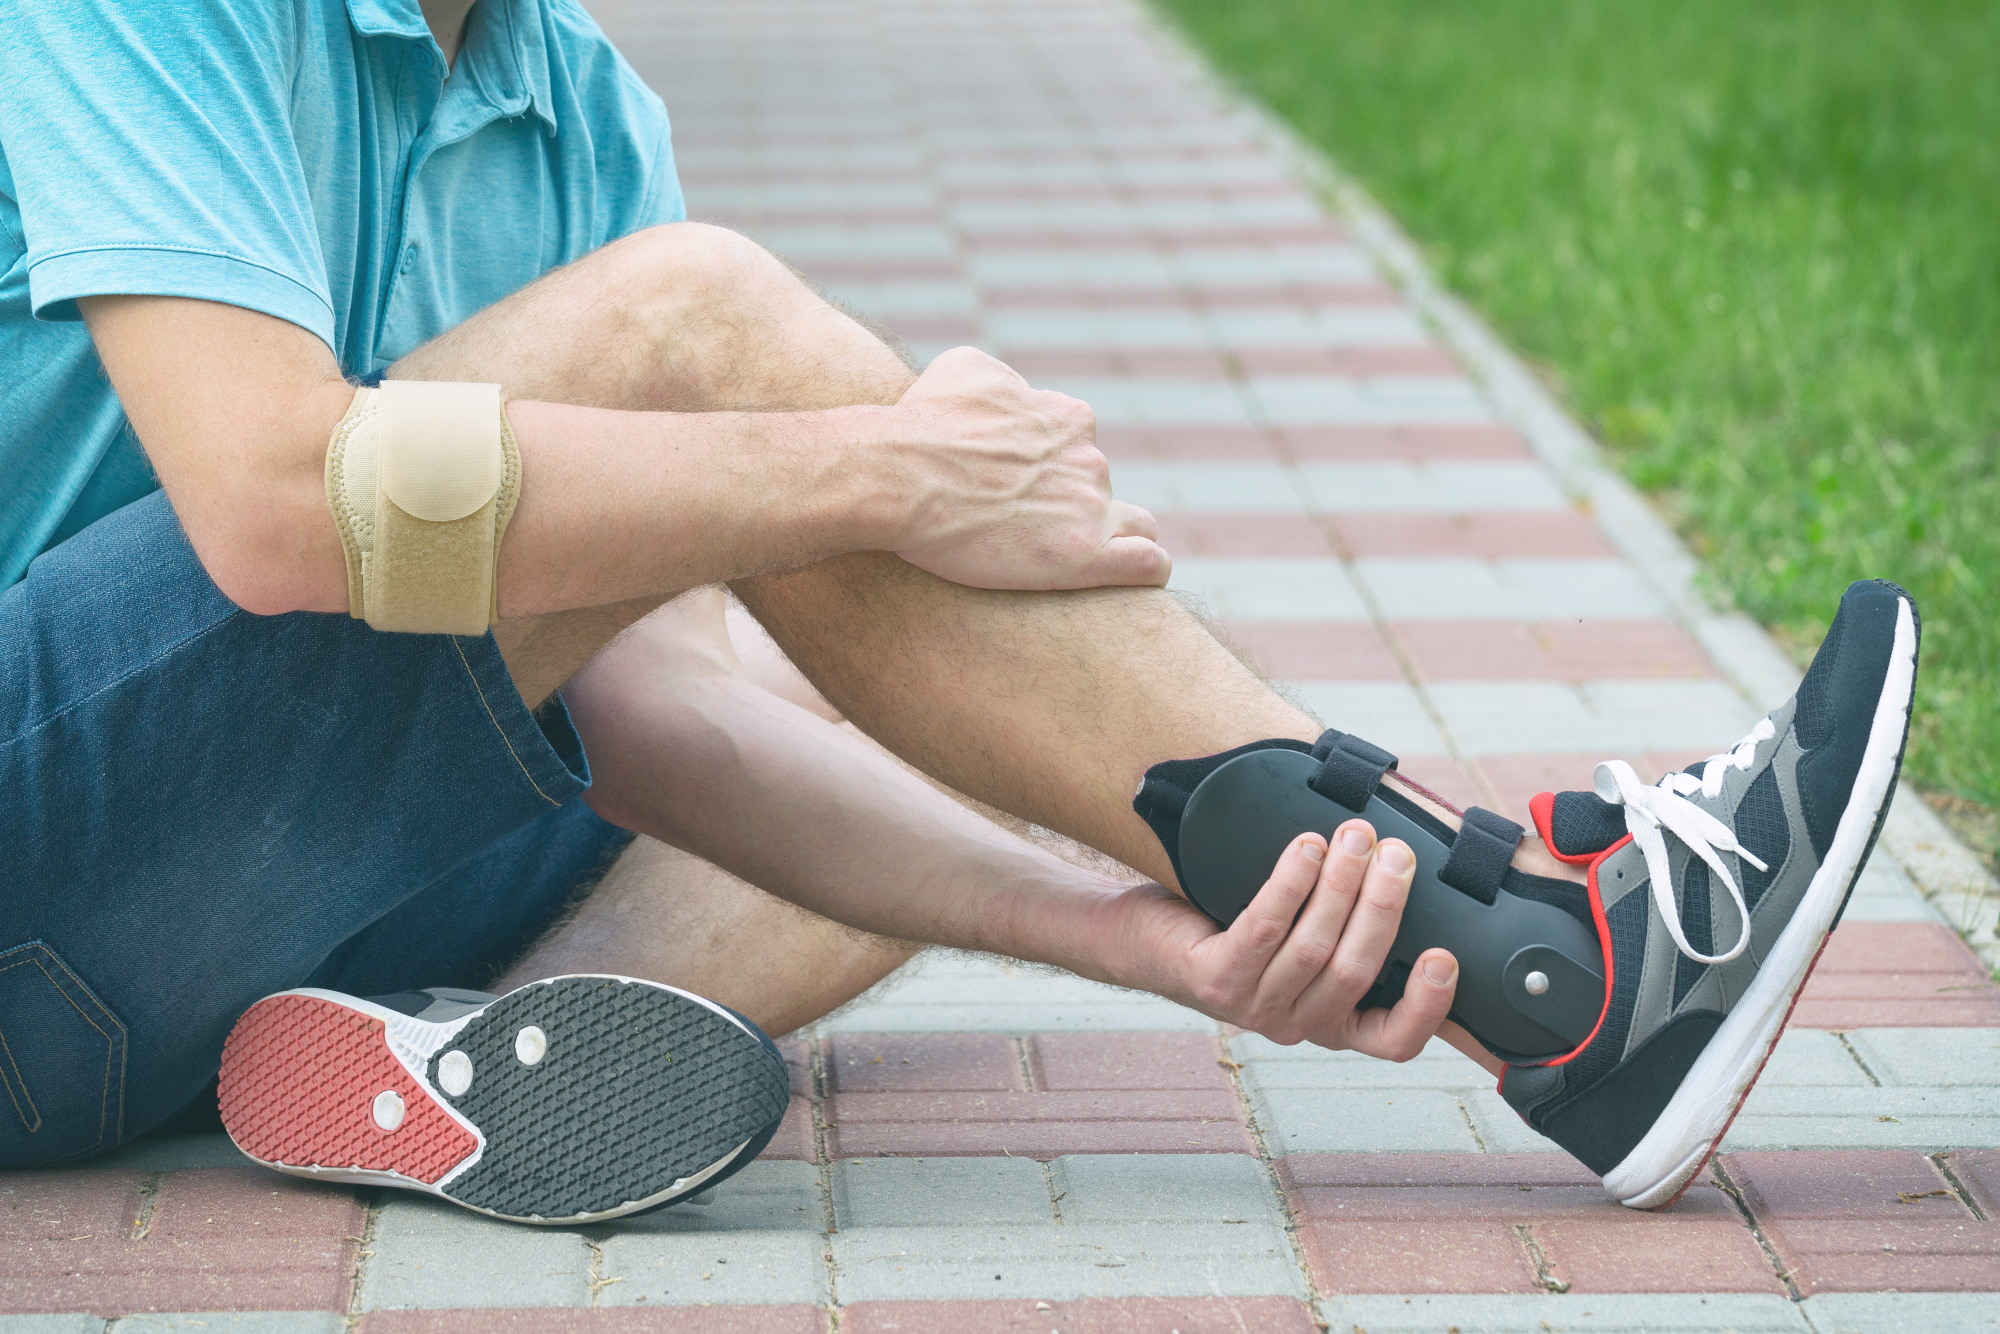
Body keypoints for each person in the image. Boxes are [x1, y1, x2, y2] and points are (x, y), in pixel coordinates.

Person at [0, 0, 1916, 1224]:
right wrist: (878, 470)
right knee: (695, 332)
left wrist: (1136, 933)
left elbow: (662, 712)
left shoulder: (576, 109)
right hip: (40, 878)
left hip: (229, 927)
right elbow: (267, 508)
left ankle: (411, 1065)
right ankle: (1554, 956)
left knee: (915, 765)